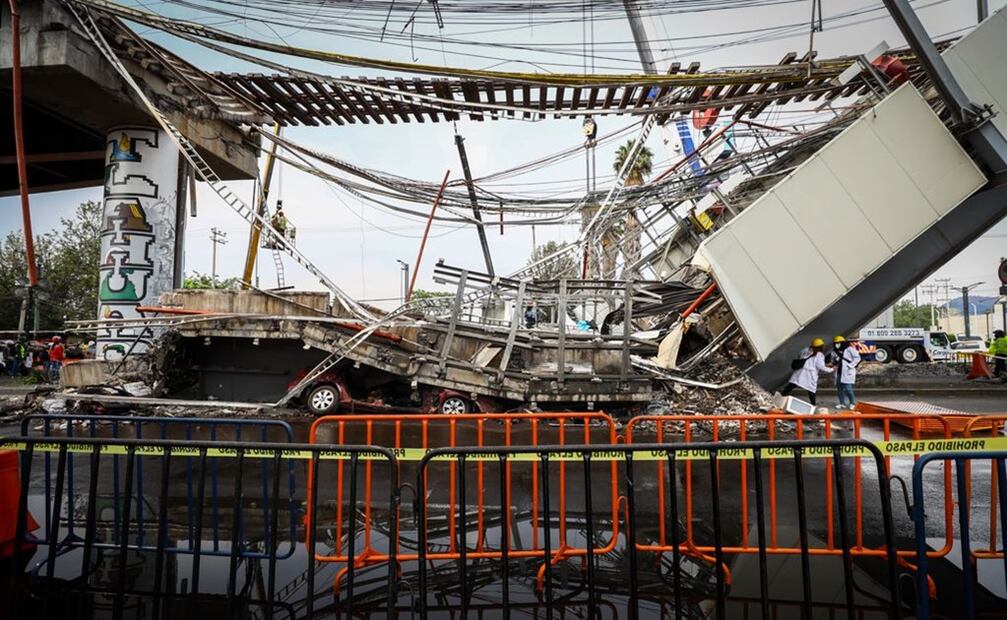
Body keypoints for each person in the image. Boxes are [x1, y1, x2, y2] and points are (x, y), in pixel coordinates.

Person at [781, 337, 834, 406]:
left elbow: (803, 359)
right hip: (810, 375)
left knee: (792, 385)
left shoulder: (805, 350)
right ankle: (813, 405)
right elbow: (821, 367)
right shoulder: (819, 355)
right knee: (811, 390)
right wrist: (832, 369)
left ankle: (781, 397)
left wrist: (825, 364)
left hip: (799, 372)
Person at [832, 336, 862, 409]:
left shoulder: (850, 349)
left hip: (847, 371)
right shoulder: (836, 351)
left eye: (838, 343)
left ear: (842, 343)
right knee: (839, 388)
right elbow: (834, 359)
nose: (837, 344)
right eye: (836, 343)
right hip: (839, 371)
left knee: (848, 389)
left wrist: (850, 365)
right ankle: (842, 403)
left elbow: (857, 358)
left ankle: (852, 403)